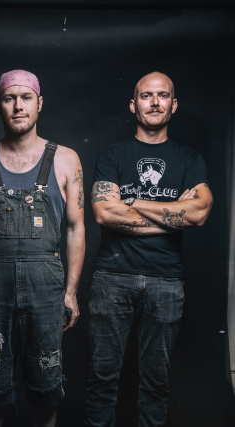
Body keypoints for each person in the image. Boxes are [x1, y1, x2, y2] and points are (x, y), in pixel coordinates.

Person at [0, 69, 85, 427]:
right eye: (10, 98)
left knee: (46, 383)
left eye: (26, 98)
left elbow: (76, 227)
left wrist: (71, 292)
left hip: (46, 290)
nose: (18, 106)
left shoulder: (66, 159)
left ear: (39, 104)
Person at [85, 72, 213, 427]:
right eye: (146, 95)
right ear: (133, 105)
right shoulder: (112, 155)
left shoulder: (190, 159)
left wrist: (133, 201)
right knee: (101, 379)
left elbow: (200, 213)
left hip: (166, 281)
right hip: (112, 278)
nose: (155, 102)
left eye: (163, 95)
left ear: (174, 105)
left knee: (156, 384)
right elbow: (104, 212)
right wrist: (174, 215)